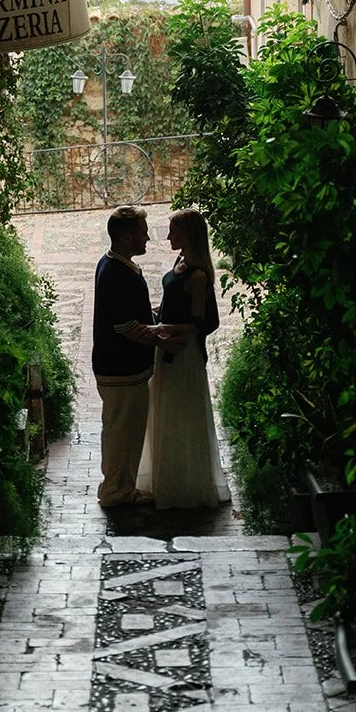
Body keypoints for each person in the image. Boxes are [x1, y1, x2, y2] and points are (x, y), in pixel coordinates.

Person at [119, 207, 230, 511]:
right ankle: (164, 476)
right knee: (164, 409)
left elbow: (197, 323)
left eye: (173, 231)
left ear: (187, 235)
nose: (167, 236)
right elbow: (172, 304)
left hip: (183, 353)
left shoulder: (197, 274)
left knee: (182, 413)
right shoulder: (180, 262)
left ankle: (184, 484)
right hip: (166, 346)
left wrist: (160, 328)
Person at [92, 205, 185, 508]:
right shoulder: (116, 273)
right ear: (126, 237)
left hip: (120, 367)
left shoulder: (115, 265)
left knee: (123, 432)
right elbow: (126, 326)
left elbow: (131, 315)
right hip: (120, 369)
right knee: (122, 434)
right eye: (142, 233)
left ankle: (119, 486)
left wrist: (157, 315)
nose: (147, 238)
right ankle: (116, 492)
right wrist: (162, 341)